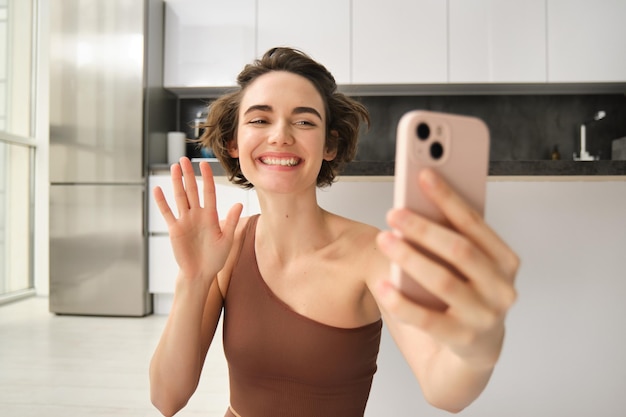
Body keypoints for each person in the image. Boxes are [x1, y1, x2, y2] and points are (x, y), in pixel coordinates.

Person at [149, 47, 519, 417]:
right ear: (233, 143)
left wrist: (478, 348)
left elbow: (445, 389)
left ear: (329, 144)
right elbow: (167, 398)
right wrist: (193, 279)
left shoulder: (374, 252)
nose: (280, 136)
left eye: (305, 122)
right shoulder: (225, 248)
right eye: (260, 120)